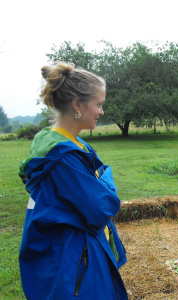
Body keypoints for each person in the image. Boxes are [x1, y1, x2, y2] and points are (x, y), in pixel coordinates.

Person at [18, 62, 128, 300]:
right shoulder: (65, 156)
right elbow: (102, 208)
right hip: (77, 260)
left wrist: (101, 182)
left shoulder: (74, 144)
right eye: (98, 105)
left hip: (77, 252)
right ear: (78, 105)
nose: (102, 112)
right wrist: (107, 181)